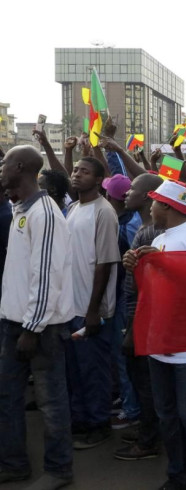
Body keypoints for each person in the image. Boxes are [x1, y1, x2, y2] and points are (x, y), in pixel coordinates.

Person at [122, 179, 186, 490]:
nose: (150, 207)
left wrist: (163, 265)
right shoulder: (161, 239)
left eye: (153, 202)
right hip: (161, 341)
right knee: (167, 414)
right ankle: (180, 476)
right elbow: (156, 289)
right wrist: (136, 264)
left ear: (166, 206)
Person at [0, 145, 74, 490]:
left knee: (51, 402)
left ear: (19, 166)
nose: (0, 168)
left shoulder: (45, 213)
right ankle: (14, 464)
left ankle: (59, 470)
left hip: (39, 328)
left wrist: (30, 328)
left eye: (3, 163)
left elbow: (45, 275)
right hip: (14, 322)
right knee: (8, 396)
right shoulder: (20, 208)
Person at [66, 156, 121, 450]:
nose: (76, 175)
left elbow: (104, 263)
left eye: (84, 172)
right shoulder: (73, 208)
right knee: (75, 370)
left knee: (94, 371)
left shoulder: (104, 212)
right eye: (75, 170)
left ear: (99, 180)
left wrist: (93, 310)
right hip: (70, 307)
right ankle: (80, 421)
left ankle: (98, 425)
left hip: (92, 310)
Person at [114, 172, 164, 462]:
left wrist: (132, 328)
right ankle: (149, 429)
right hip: (142, 319)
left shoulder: (148, 234)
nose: (125, 194)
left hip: (143, 321)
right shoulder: (147, 229)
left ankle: (148, 440)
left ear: (147, 197)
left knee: (145, 382)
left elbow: (140, 290)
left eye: (131, 189)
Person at [101, 173, 142, 430]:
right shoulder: (125, 219)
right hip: (121, 298)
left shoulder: (128, 227)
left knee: (124, 357)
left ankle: (131, 408)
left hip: (125, 300)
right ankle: (128, 399)